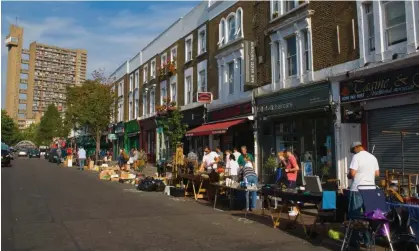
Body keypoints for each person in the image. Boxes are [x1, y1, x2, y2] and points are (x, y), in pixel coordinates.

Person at [347, 141, 379, 249]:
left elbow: (352, 174)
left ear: (356, 148)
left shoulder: (356, 157)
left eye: (353, 151)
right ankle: (368, 241)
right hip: (371, 190)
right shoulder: (373, 157)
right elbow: (377, 173)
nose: (353, 153)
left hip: (357, 189)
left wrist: (349, 174)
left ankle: (354, 241)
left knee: (355, 216)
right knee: (368, 216)